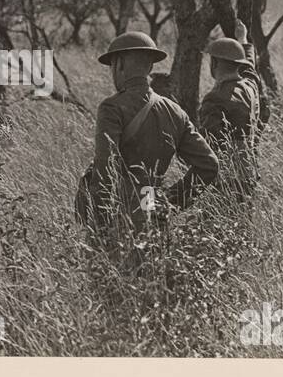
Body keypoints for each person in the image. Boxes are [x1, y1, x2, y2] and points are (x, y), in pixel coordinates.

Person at [75, 32, 220, 235]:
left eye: (112, 66)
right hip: (155, 210)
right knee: (152, 264)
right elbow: (209, 165)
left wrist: (99, 222)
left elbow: (105, 166)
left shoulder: (111, 107)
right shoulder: (175, 111)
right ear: (150, 67)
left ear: (120, 65)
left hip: (119, 213)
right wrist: (169, 201)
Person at [198, 22, 261, 199]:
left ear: (214, 63)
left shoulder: (215, 98)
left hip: (227, 178)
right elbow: (250, 70)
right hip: (249, 173)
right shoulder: (249, 87)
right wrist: (243, 40)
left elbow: (208, 146)